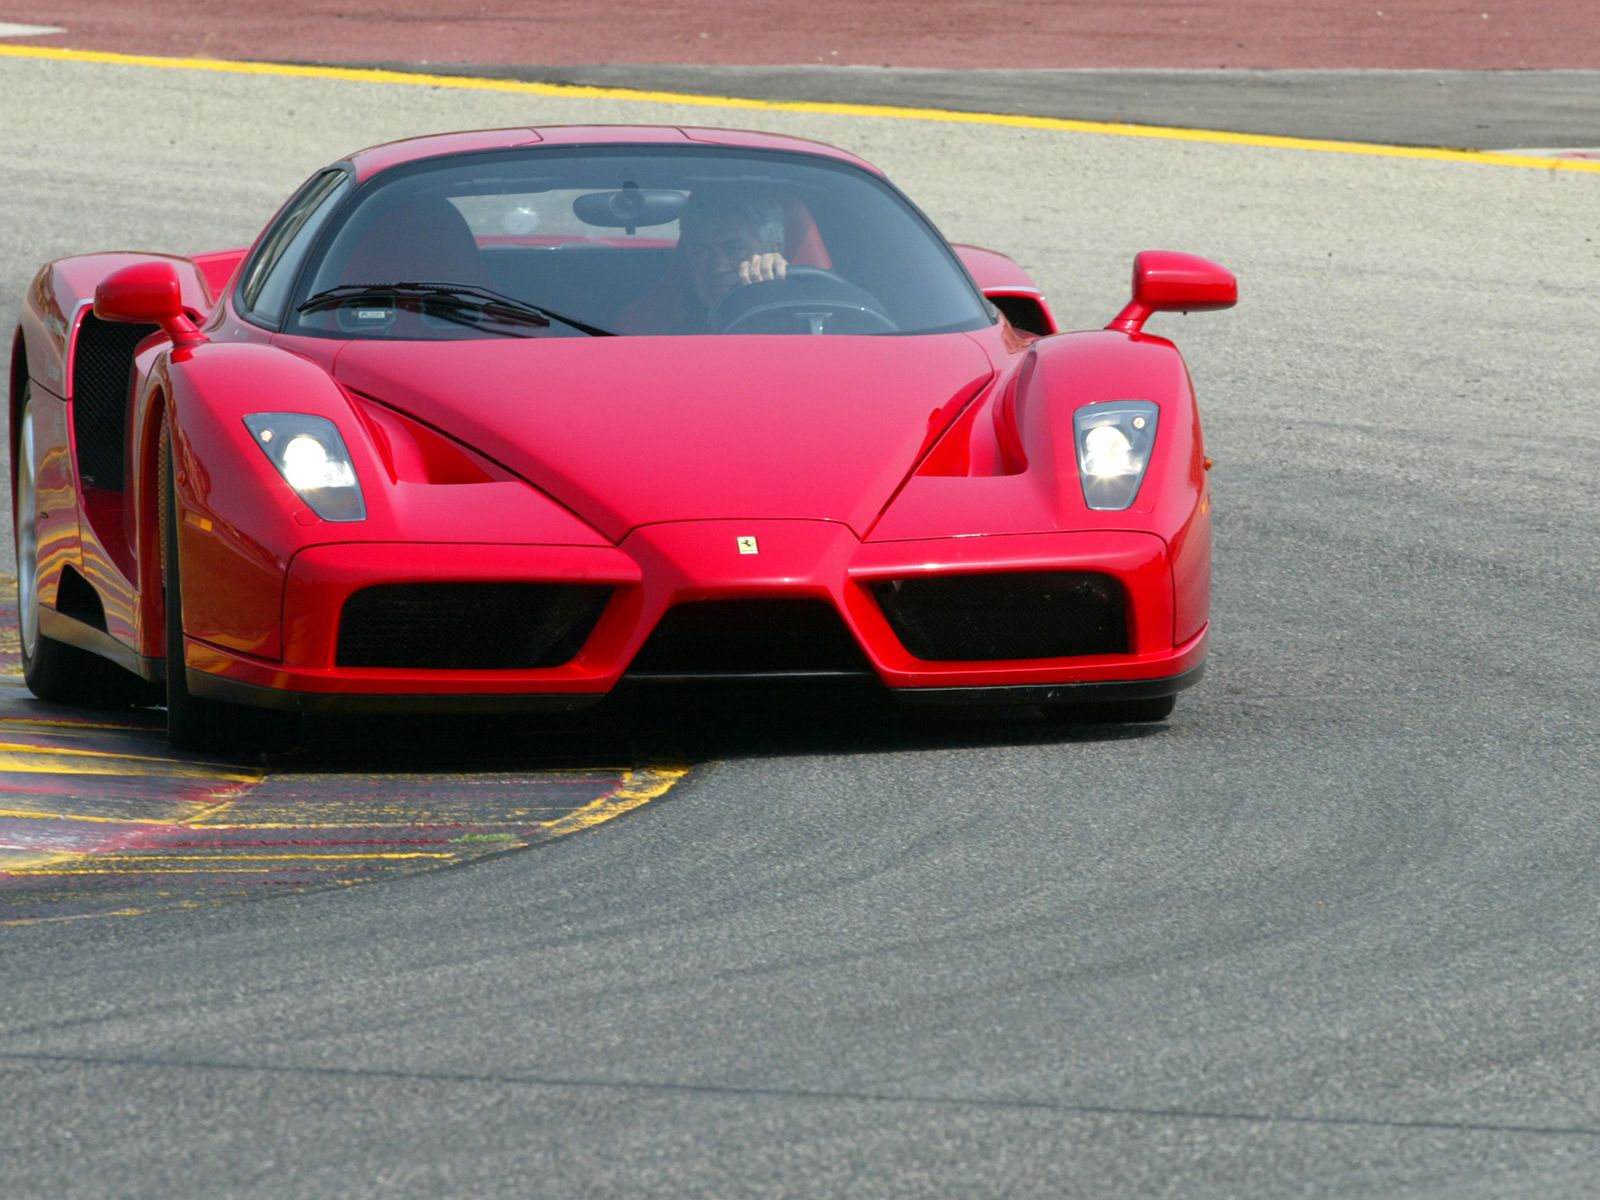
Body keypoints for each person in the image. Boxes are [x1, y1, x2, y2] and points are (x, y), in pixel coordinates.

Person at [618, 191, 789, 333]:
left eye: (735, 249)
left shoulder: (806, 312)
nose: (717, 267)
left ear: (774, 250)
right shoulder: (667, 326)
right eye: (701, 251)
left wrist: (777, 287)